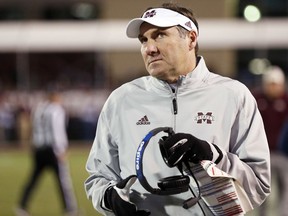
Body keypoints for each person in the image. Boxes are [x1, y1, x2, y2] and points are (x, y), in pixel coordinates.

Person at [84, 3, 271, 216]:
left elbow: (259, 183)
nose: (149, 48)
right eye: (144, 40)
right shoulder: (121, 100)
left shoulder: (234, 95)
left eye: (160, 35)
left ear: (191, 38)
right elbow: (98, 177)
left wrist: (213, 155)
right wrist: (111, 199)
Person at [16, 91, 78, 216]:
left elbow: (34, 129)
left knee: (33, 179)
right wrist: (61, 149)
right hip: (52, 150)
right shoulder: (56, 109)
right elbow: (57, 130)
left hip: (39, 148)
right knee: (63, 181)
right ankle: (70, 210)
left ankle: (22, 207)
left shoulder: (38, 109)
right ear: (55, 97)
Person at [254, 66, 288, 216]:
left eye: (276, 84)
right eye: (270, 84)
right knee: (263, 187)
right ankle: (262, 214)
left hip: (283, 154)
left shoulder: (286, 101)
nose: (273, 88)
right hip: (263, 153)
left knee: (285, 187)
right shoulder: (257, 99)